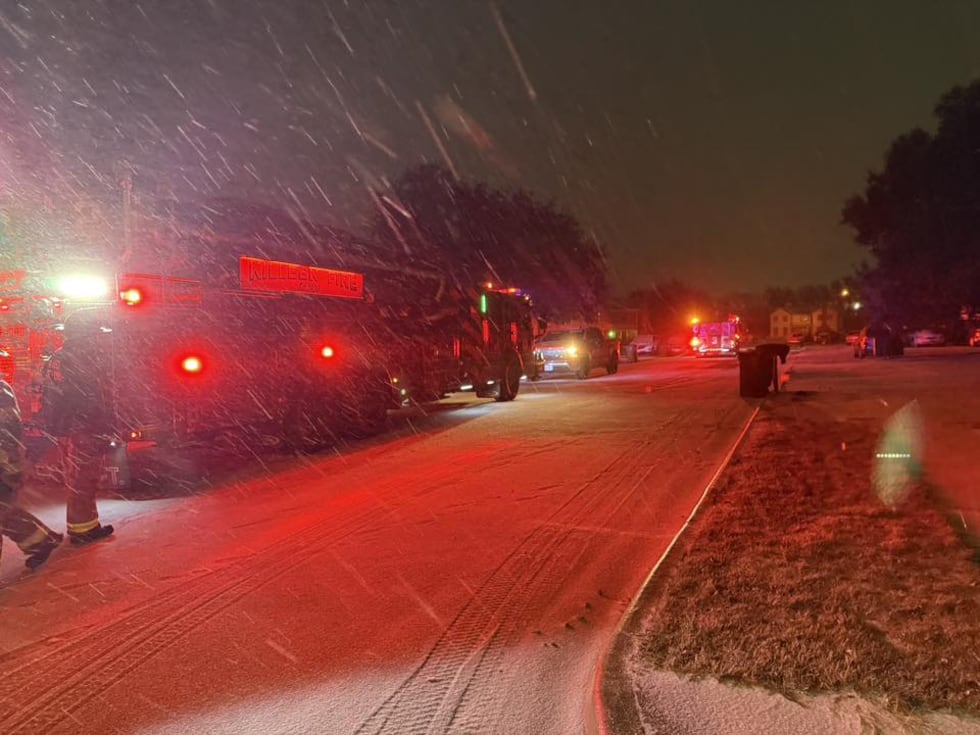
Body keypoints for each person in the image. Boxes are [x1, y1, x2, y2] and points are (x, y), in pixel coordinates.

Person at [41, 308, 115, 545]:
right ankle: (83, 530)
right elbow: (88, 397)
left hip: (68, 427)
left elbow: (54, 396)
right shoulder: (81, 357)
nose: (98, 338)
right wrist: (99, 425)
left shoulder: (59, 357)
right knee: (85, 476)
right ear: (85, 334)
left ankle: (85, 525)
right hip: (83, 427)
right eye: (94, 333)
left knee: (78, 476)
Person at [0, 370, 63, 570]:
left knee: (3, 510)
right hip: (5, 462)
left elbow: (7, 429)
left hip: (4, 462)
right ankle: (42, 541)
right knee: (4, 511)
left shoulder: (2, 393)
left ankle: (42, 541)